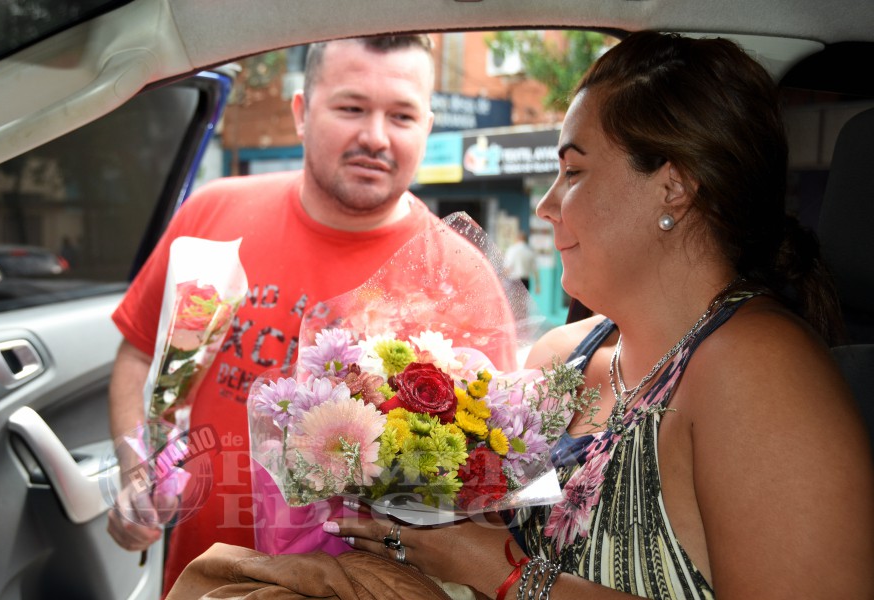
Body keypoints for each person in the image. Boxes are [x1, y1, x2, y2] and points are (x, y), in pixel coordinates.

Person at [305, 31, 874, 598]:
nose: (545, 205)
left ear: (673, 188)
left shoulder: (761, 370)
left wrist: (506, 573)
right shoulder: (560, 360)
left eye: (573, 172)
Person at [106, 34, 518, 595]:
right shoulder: (212, 213)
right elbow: (137, 355)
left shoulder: (461, 278)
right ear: (301, 112)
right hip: (195, 583)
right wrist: (139, 471)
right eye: (351, 108)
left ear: (427, 127)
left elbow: (487, 477)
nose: (375, 136)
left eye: (401, 116)